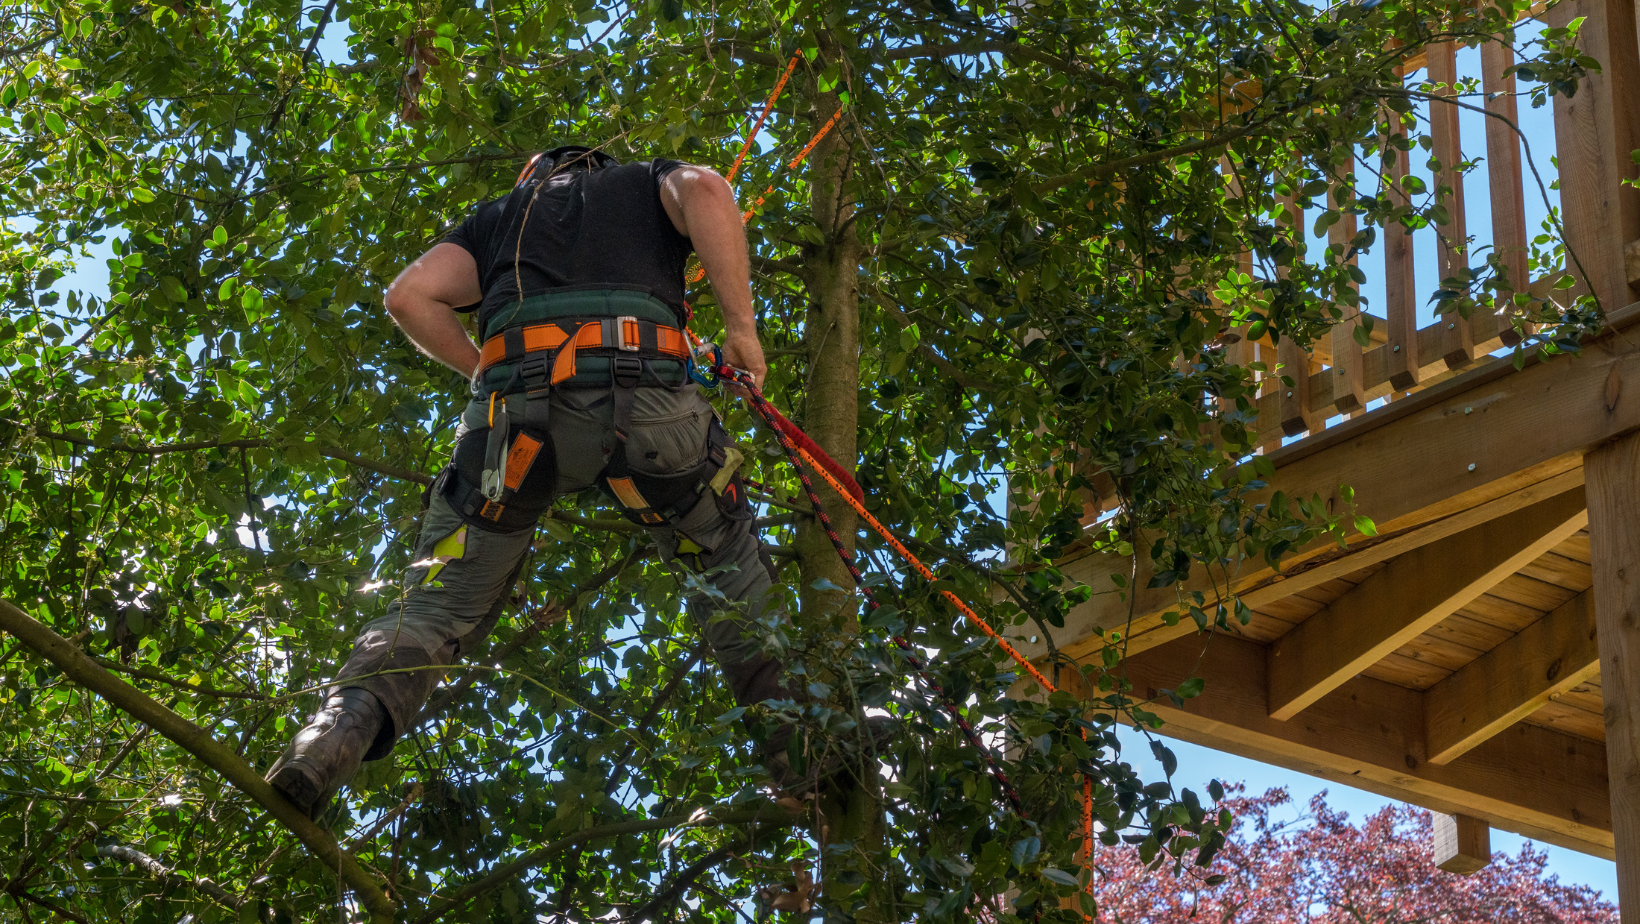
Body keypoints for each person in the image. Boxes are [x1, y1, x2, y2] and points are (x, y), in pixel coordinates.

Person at [264, 146, 870, 820]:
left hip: (512, 427)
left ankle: (332, 737)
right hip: (650, 410)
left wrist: (481, 371)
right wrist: (741, 332)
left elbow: (408, 297)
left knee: (435, 607)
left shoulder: (499, 218)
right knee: (726, 567)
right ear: (595, 167)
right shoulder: (646, 181)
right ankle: (805, 756)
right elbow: (705, 191)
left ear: (534, 176)